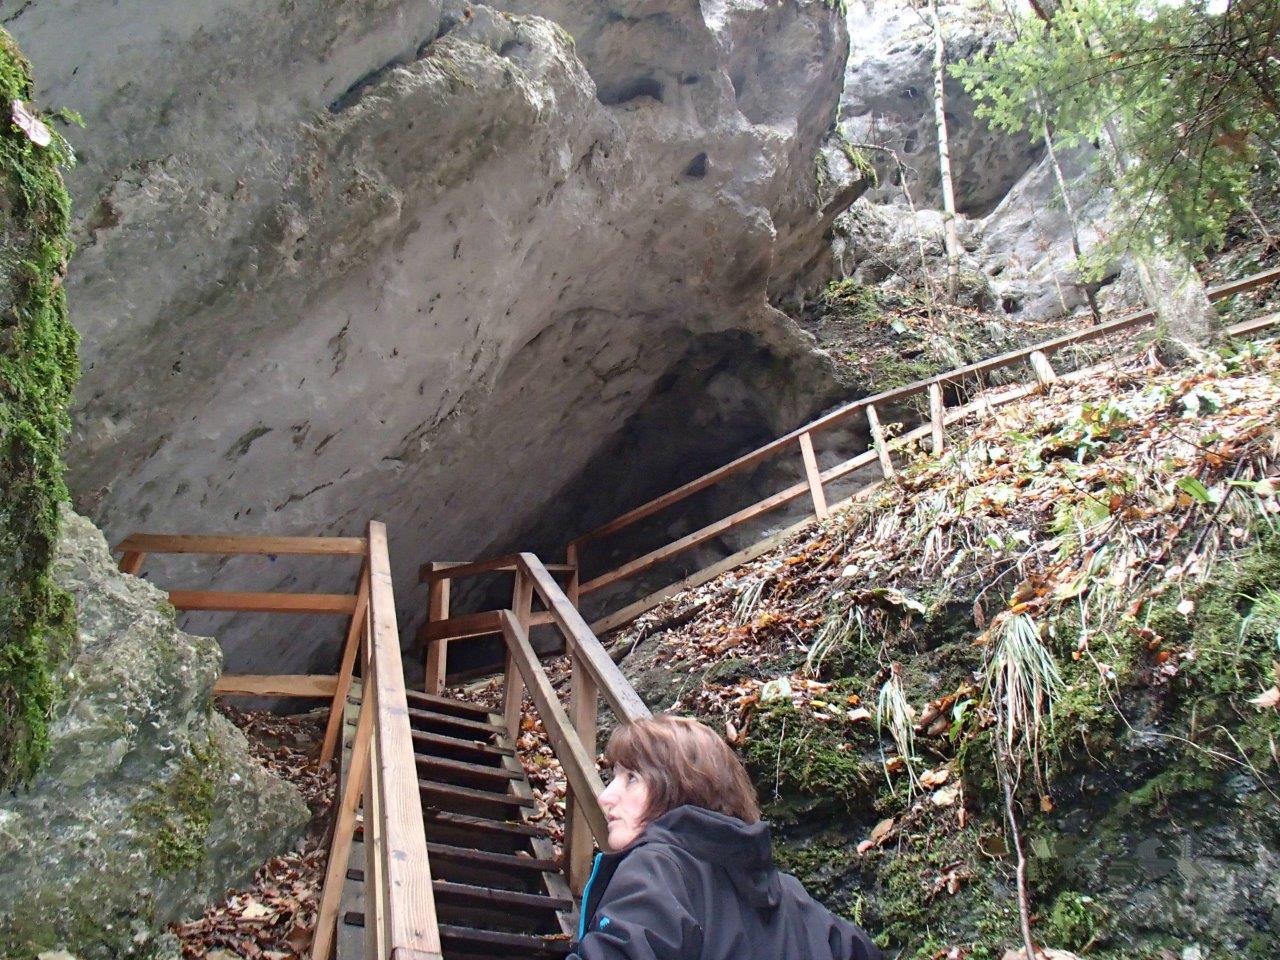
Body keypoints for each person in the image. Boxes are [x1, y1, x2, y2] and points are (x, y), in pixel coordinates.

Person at [568, 714, 882, 960]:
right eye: (614, 778)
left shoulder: (659, 868)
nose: (605, 796)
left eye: (631, 778)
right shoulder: (792, 898)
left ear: (681, 789)